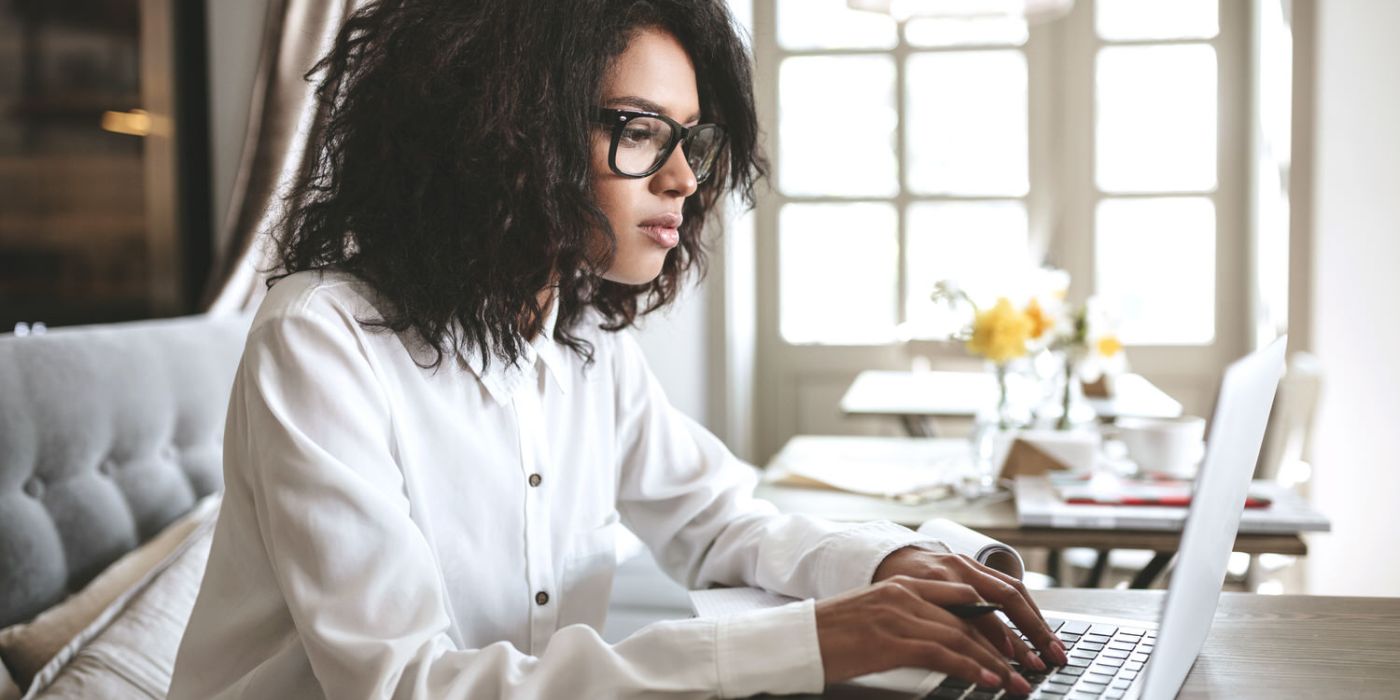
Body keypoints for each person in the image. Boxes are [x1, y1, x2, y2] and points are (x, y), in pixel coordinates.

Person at [168, 0, 1066, 697]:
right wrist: (810, 642)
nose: (683, 178)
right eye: (639, 131)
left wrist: (883, 564)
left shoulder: (581, 336)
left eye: (692, 140)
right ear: (506, 129)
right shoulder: (321, 337)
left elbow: (719, 523)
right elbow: (406, 685)